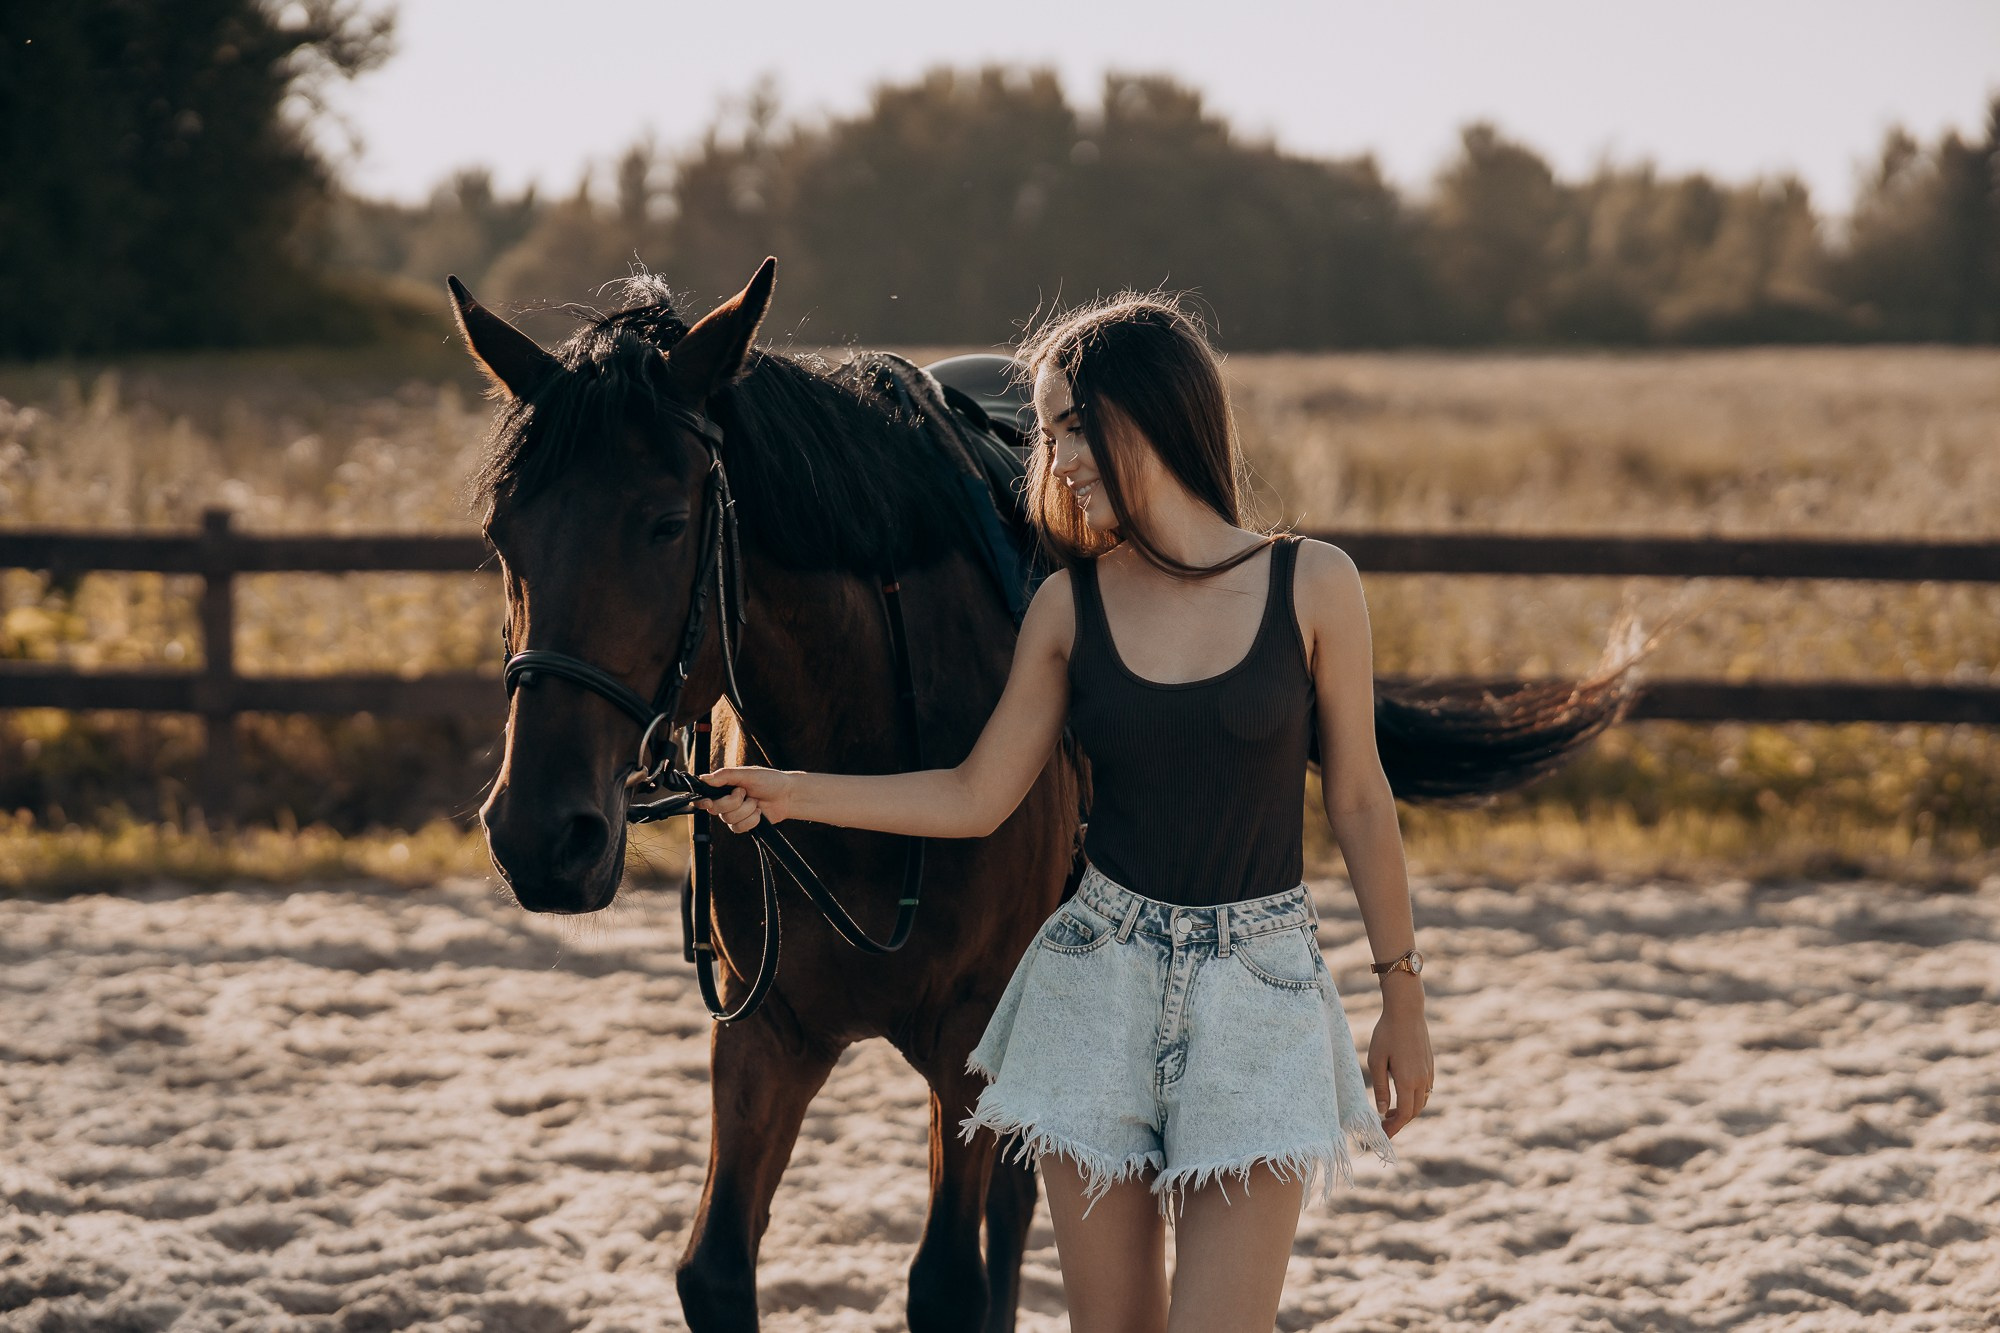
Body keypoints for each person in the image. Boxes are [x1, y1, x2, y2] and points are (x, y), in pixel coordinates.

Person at [693, 293, 1433, 1332]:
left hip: (1258, 996)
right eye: (1044, 432)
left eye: (1071, 426)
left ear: (1153, 412)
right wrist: (787, 792)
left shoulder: (1311, 583)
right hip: (1097, 988)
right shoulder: (1065, 605)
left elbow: (1356, 796)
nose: (1053, 458)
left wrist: (1400, 993)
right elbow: (974, 793)